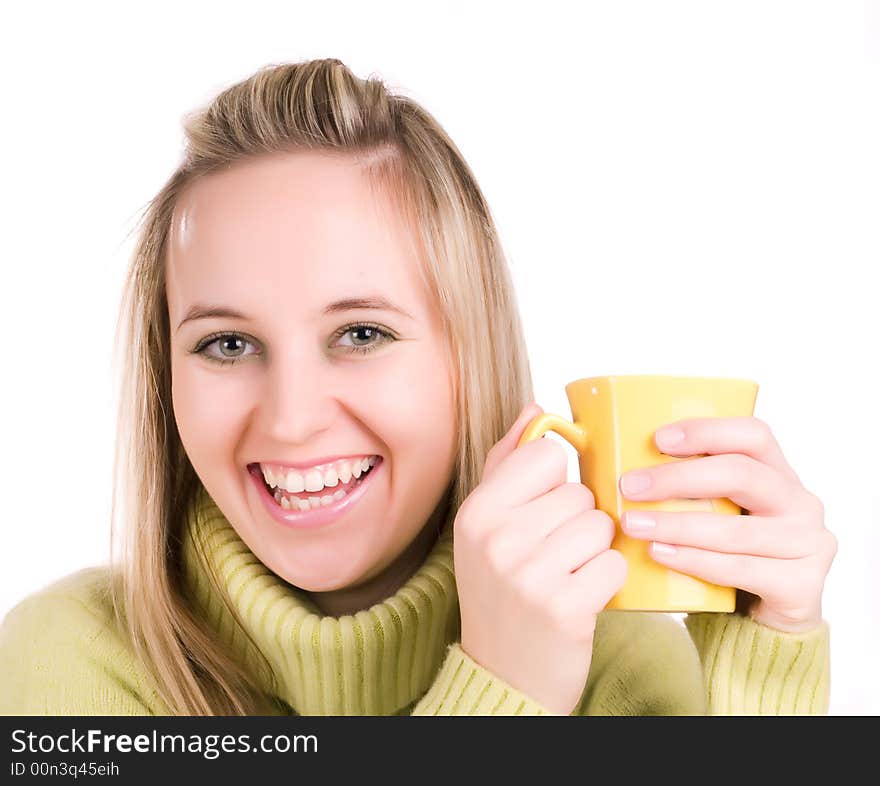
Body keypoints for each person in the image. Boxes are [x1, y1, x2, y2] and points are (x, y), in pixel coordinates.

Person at [0, 58, 836, 716]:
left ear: (468, 359)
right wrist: (500, 693)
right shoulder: (69, 658)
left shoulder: (619, 660)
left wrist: (767, 668)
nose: (290, 421)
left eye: (361, 334)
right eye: (226, 343)